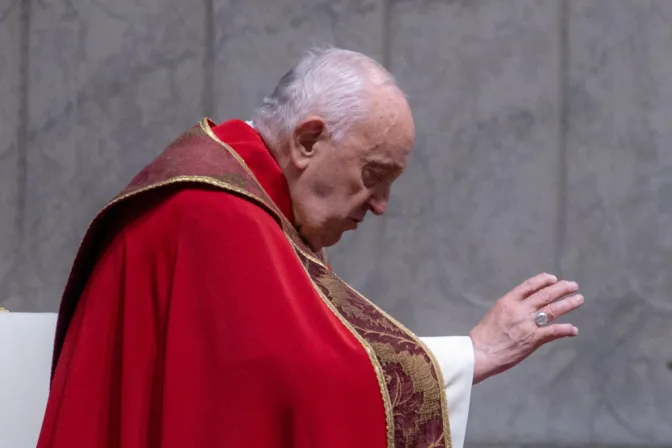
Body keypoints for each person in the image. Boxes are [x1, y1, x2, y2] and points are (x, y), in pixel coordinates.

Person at [37, 48, 583, 448]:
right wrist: (472, 355)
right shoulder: (213, 213)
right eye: (374, 174)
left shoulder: (245, 196)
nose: (380, 204)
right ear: (307, 140)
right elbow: (304, 383)